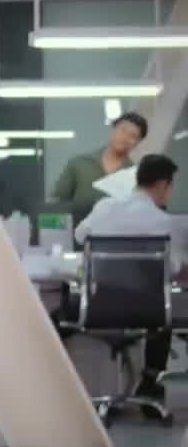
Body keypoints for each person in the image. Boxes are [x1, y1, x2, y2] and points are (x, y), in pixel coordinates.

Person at [72, 153, 186, 414]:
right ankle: (149, 383)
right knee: (166, 313)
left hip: (100, 308)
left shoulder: (104, 207)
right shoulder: (166, 223)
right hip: (148, 312)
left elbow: (80, 235)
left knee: (60, 311)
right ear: (163, 184)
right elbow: (174, 269)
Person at [51, 112, 147, 229]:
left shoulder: (137, 177)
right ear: (113, 129)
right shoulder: (79, 163)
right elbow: (56, 204)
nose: (125, 138)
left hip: (116, 237)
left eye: (133, 136)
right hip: (76, 236)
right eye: (123, 130)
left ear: (138, 143)